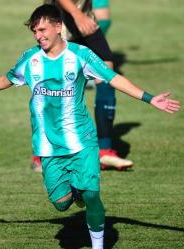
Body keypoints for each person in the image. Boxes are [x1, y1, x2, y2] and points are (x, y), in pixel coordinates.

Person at [0, 4, 180, 249]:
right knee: (60, 205)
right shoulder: (31, 59)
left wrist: (150, 99)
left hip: (82, 141)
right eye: (35, 31)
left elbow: (113, 78)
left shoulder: (80, 55)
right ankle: (76, 192)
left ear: (59, 27)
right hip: (47, 146)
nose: (38, 35)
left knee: (92, 194)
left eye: (43, 29)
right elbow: (8, 78)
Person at [31, 0, 131, 173]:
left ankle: (104, 150)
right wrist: (77, 15)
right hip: (59, 20)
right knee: (53, 86)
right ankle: (43, 153)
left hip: (85, 20)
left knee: (106, 73)